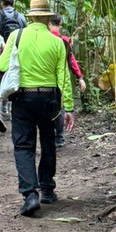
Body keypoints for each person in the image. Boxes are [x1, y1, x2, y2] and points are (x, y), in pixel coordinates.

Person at [0, 0, 74, 217]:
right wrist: (67, 107)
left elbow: (1, 64)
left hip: (23, 99)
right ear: (48, 18)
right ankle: (47, 188)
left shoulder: (17, 36)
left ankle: (30, 194)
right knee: (49, 142)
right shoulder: (57, 42)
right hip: (49, 99)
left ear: (30, 17)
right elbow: (63, 78)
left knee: (23, 145)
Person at [48, 14, 86, 147]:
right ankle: (59, 137)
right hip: (61, 79)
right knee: (60, 107)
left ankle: (48, 136)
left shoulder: (43, 39)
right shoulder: (64, 40)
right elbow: (71, 60)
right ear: (60, 24)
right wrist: (79, 77)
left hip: (45, 79)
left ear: (48, 24)